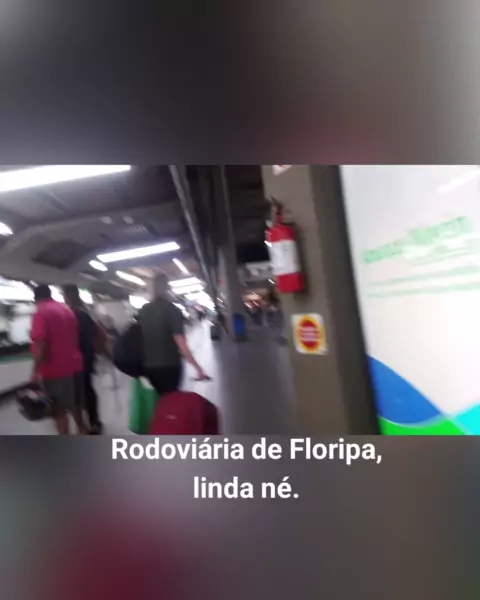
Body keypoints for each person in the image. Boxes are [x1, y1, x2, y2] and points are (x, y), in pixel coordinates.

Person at [138, 272, 209, 396]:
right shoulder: (172, 309)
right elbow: (180, 341)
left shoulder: (144, 310)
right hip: (170, 365)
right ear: (167, 288)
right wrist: (197, 367)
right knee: (170, 400)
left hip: (148, 366)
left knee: (157, 400)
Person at [30, 284, 87, 435]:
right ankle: (83, 431)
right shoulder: (66, 310)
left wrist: (35, 371)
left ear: (36, 298)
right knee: (76, 404)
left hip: (56, 370)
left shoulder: (41, 312)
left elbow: (41, 343)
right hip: (75, 366)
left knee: (59, 412)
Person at [63, 284, 104, 435]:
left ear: (71, 295)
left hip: (82, 359)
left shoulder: (79, 314)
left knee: (85, 391)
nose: (65, 298)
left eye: (66, 295)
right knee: (85, 390)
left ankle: (94, 422)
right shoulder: (84, 311)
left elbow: (82, 338)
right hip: (84, 357)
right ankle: (92, 421)